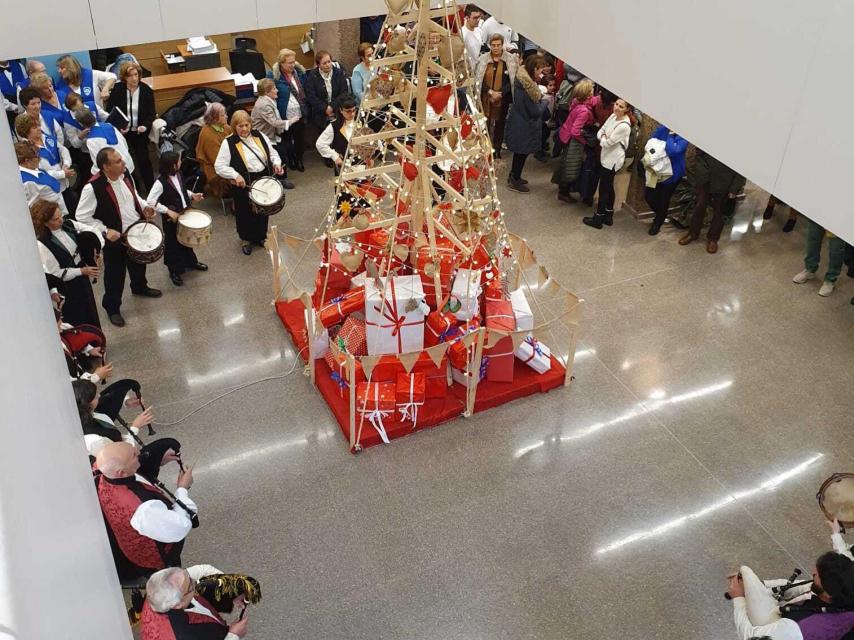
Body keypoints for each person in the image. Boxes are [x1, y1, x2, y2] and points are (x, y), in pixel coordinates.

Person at [76, 147, 161, 327]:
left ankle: (139, 286)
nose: (123, 163)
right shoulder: (92, 188)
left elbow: (135, 196)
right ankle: (112, 307)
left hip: (134, 229)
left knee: (138, 263)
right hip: (115, 237)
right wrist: (105, 230)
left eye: (121, 159)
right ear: (106, 167)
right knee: (115, 274)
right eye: (118, 161)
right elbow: (81, 217)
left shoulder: (126, 175)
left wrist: (145, 207)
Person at [94, 441, 196, 582]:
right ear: (122, 472)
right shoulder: (144, 510)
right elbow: (179, 527)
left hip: (129, 547)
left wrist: (158, 461)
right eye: (135, 456)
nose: (140, 453)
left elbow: (139, 475)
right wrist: (183, 489)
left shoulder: (104, 473)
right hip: (155, 558)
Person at [728, 551, 854, 640]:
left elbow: (750, 636)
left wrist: (738, 598)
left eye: (816, 576)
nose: (812, 573)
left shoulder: (798, 629)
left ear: (828, 595)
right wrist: (759, 585)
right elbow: (800, 587)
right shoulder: (843, 591)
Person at [73, 379, 181, 482]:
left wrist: (126, 402)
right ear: (87, 404)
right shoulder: (94, 440)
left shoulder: (89, 414)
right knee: (170, 444)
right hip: (128, 467)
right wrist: (135, 426)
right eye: (96, 397)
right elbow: (122, 456)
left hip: (124, 451)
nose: (100, 396)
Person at [214, 110, 284, 255]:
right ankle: (246, 238)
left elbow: (272, 153)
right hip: (244, 182)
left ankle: (260, 235)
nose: (244, 129)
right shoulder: (229, 142)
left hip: (262, 178)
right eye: (240, 126)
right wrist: (235, 175)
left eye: (247, 125)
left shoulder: (259, 135)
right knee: (244, 211)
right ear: (234, 126)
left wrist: (276, 163)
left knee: (263, 209)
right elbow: (219, 166)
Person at [31, 199, 102, 325]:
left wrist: (96, 251)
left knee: (91, 311)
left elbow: (94, 231)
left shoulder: (70, 225)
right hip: (68, 287)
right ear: (45, 223)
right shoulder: (42, 244)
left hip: (83, 279)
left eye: (61, 216)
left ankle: (97, 340)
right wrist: (81, 271)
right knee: (78, 317)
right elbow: (56, 273)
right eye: (55, 219)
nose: (61, 220)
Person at [146, 151, 208, 286]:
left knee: (186, 239)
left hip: (184, 212)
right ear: (172, 165)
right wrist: (167, 211)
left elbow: (181, 190)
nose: (181, 162)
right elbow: (150, 201)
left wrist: (192, 195)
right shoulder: (159, 182)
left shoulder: (179, 174)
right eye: (178, 161)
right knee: (173, 244)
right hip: (171, 218)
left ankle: (191, 262)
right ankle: (174, 270)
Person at [141, 566, 252, 639]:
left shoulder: (157, 592)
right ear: (178, 604)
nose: (195, 582)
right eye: (191, 586)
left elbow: (201, 570)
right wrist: (234, 635)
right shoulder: (184, 635)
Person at [677, 150, 746, 253]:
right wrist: (702, 174)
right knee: (699, 208)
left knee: (719, 212)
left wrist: (734, 188)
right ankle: (693, 233)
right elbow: (699, 155)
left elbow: (743, 167)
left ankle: (713, 239)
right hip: (705, 181)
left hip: (724, 183)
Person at [583, 98, 633, 229]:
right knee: (608, 186)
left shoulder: (623, 125)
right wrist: (604, 137)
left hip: (612, 160)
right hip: (606, 156)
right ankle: (609, 215)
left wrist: (604, 138)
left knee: (604, 189)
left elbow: (607, 142)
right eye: (616, 104)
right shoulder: (613, 116)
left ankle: (598, 218)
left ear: (627, 109)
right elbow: (601, 131)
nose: (616, 108)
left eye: (621, 107)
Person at [107, 61, 155, 191]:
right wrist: (119, 127)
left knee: (143, 160)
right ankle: (134, 189)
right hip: (123, 132)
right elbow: (111, 110)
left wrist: (145, 126)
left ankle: (151, 189)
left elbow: (151, 113)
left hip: (140, 133)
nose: (134, 78)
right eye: (130, 76)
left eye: (136, 75)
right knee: (125, 162)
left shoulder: (146, 90)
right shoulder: (118, 89)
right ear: (125, 77)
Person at [15, 112, 77, 213]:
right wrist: (62, 173)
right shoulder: (28, 151)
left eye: (39, 125)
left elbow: (62, 150)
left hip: (65, 184)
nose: (39, 128)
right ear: (26, 131)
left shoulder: (45, 137)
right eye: (34, 127)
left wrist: (66, 164)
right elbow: (39, 172)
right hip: (51, 193)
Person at [504, 54, 549, 193]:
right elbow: (534, 111)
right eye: (540, 70)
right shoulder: (526, 88)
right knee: (521, 154)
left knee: (520, 153)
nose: (541, 74)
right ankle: (515, 179)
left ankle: (514, 176)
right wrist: (545, 101)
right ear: (533, 69)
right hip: (523, 125)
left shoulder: (523, 83)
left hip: (520, 123)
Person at [552, 78, 595, 203]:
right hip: (572, 141)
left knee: (564, 162)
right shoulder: (584, 112)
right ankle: (564, 192)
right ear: (588, 93)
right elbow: (576, 131)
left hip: (564, 135)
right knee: (570, 166)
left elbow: (592, 100)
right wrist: (584, 141)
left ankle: (562, 188)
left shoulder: (577, 101)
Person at [474, 33, 517, 159]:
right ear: (489, 45)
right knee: (484, 123)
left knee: (499, 124)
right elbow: (478, 79)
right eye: (493, 45)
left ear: (502, 45)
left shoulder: (510, 59)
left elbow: (512, 80)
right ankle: (485, 148)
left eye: (498, 45)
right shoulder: (483, 59)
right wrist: (490, 92)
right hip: (486, 96)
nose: (496, 48)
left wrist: (501, 94)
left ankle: (496, 148)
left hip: (503, 97)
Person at [250, 78, 296, 189]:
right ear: (267, 92)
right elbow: (274, 122)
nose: (277, 91)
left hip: (270, 134)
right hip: (262, 137)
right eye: (274, 89)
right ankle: (281, 179)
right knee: (281, 152)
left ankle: (279, 175)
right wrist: (290, 122)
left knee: (286, 148)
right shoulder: (264, 104)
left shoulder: (268, 100)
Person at [266, 48, 308, 172]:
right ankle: (290, 159)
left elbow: (305, 89)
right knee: (287, 139)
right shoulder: (273, 75)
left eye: (293, 62)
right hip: (284, 115)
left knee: (300, 139)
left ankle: (299, 159)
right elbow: (268, 91)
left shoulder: (299, 73)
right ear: (281, 63)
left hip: (300, 112)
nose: (292, 65)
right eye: (289, 63)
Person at [645, 125, 688, 235]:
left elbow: (673, 151)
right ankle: (661, 215)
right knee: (649, 196)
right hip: (655, 170)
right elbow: (650, 143)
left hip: (672, 173)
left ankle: (658, 222)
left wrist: (670, 135)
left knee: (664, 199)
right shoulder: (661, 128)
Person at [792, 217, 846, 297]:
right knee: (813, 239)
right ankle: (810, 269)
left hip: (840, 216)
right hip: (819, 211)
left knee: (835, 249)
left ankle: (830, 279)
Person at [75, 107, 135, 176]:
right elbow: (125, 144)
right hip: (128, 162)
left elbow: (98, 163)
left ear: (81, 123)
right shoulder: (109, 125)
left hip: (117, 171)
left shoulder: (91, 140)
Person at [16, 140, 68, 215]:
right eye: (37, 157)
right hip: (51, 218)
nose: (40, 159)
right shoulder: (27, 182)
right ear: (27, 161)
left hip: (60, 212)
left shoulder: (33, 168)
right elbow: (32, 207)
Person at [304, 50, 349, 136]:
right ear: (318, 65)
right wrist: (325, 108)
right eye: (324, 63)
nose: (328, 65)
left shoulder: (338, 73)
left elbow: (344, 92)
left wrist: (332, 106)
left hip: (337, 111)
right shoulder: (312, 76)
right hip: (320, 114)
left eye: (329, 61)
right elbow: (311, 96)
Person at [195, 103, 233, 199]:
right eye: (223, 115)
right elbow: (217, 161)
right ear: (215, 118)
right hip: (215, 172)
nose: (226, 116)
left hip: (228, 162)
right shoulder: (208, 134)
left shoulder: (225, 127)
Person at [315, 93, 358, 174]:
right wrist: (335, 156)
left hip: (361, 164)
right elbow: (320, 144)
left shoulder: (360, 121)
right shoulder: (334, 126)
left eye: (354, 110)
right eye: (348, 111)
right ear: (341, 110)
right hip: (344, 165)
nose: (352, 114)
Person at [18, 84, 64, 149]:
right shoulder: (22, 123)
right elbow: (26, 144)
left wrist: (58, 150)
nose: (37, 106)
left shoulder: (48, 114)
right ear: (25, 105)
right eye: (33, 104)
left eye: (39, 102)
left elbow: (59, 133)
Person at [1, 59, 25, 128]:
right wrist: (14, 107)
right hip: (7, 112)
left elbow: (26, 83)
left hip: (24, 106)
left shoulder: (19, 66)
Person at [461, 5, 484, 69]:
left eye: (479, 17)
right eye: (475, 18)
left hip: (478, 69)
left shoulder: (479, 30)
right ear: (467, 18)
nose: (478, 20)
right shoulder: (462, 34)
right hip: (467, 71)